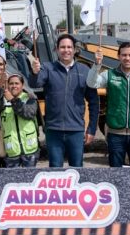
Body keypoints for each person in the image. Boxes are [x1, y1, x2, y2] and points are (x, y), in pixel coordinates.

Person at [30, 33, 99, 167]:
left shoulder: (85, 70)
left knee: (77, 170)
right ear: (56, 49)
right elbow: (35, 83)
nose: (66, 50)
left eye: (69, 47)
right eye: (62, 47)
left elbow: (94, 102)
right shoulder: (47, 68)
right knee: (55, 170)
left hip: (76, 130)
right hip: (53, 130)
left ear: (74, 49)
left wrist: (91, 129)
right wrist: (34, 72)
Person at [87, 42, 130, 167]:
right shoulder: (110, 74)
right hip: (115, 135)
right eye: (124, 55)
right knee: (116, 172)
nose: (127, 58)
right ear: (118, 56)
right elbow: (92, 83)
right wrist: (97, 64)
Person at [0, 74, 39, 167]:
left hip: (30, 149)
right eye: (11, 83)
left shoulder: (30, 98)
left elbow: (28, 114)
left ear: (22, 85)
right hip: (12, 149)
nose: (14, 86)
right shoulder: (3, 100)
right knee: (13, 176)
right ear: (8, 85)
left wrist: (13, 100)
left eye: (17, 83)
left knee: (30, 175)